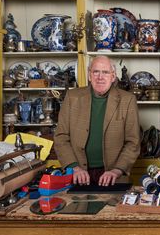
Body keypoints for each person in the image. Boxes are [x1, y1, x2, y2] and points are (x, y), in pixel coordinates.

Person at [54, 56, 141, 186]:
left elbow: (133, 142)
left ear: (113, 77)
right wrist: (74, 167)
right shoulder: (73, 97)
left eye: (105, 72)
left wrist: (117, 171)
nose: (100, 77)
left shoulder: (127, 100)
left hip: (113, 176)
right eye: (95, 72)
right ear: (89, 75)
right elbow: (61, 137)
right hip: (78, 174)